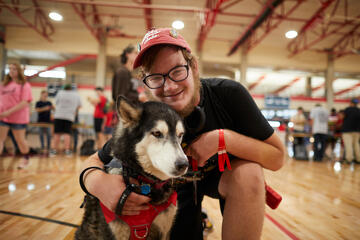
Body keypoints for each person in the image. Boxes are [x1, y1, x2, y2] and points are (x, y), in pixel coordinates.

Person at [80, 28, 285, 240]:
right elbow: (94, 160)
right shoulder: (149, 115)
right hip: (174, 192)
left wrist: (223, 139)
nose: (169, 86)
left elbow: (277, 157)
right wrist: (99, 184)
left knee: (249, 173)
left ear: (194, 67)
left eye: (177, 71)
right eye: (156, 77)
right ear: (146, 83)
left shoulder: (229, 94)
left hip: (225, 178)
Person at [0, 63, 33, 168]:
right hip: (3, 116)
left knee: (20, 140)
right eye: (10, 69)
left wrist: (9, 112)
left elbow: (25, 102)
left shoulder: (24, 85)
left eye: (14, 69)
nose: (11, 71)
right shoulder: (4, 85)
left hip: (19, 118)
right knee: (1, 139)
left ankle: (26, 159)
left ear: (19, 71)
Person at [50, 84, 81, 156]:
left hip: (58, 115)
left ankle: (54, 150)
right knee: (67, 134)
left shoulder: (60, 93)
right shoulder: (76, 94)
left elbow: (55, 104)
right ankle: (67, 151)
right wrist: (74, 112)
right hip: (69, 116)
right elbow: (79, 106)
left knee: (57, 133)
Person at [341, 98, 360, 164]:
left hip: (347, 130)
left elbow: (342, 117)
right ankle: (358, 159)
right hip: (357, 131)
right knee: (356, 145)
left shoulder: (348, 109)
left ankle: (349, 159)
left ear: (351, 103)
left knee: (348, 145)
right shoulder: (358, 110)